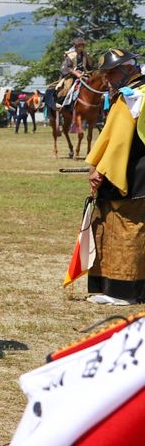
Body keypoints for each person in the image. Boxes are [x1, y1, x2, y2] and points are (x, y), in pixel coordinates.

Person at [84, 48, 145, 305]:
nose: (107, 79)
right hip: (125, 166)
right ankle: (111, 286)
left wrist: (99, 168)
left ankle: (124, 291)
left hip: (134, 170)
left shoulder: (135, 96)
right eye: (105, 73)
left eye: (112, 72)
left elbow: (120, 141)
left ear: (129, 69)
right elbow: (111, 135)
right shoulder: (128, 94)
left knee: (127, 226)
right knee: (112, 225)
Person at [57, 36, 89, 108]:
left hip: (83, 74)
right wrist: (76, 73)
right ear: (76, 46)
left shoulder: (85, 54)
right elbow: (65, 68)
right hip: (70, 75)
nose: (81, 47)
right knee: (67, 87)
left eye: (82, 45)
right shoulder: (70, 55)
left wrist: (86, 72)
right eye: (79, 45)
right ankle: (60, 102)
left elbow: (88, 66)